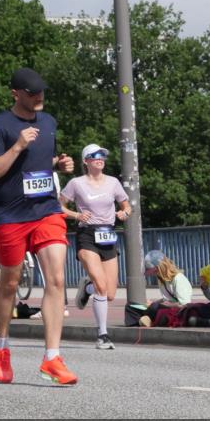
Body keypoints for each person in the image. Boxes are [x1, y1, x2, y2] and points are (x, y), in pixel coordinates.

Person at [0, 67, 76, 385]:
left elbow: (38, 163)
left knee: (58, 279)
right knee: (9, 283)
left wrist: (58, 164)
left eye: (42, 92)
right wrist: (17, 146)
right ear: (16, 94)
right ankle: (3, 346)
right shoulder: (0, 126)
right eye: (32, 93)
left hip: (47, 210)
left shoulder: (48, 122)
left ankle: (52, 358)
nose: (39, 97)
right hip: (10, 216)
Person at [62, 143, 132, 350]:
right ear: (86, 161)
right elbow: (58, 205)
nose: (100, 158)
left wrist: (124, 214)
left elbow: (126, 205)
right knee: (102, 285)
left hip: (108, 234)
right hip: (87, 235)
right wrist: (76, 215)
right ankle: (103, 334)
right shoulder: (76, 183)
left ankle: (88, 287)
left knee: (109, 293)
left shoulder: (113, 183)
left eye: (102, 155)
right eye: (94, 156)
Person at [138, 250, 193, 327]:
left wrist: (167, 305)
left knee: (154, 308)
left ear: (160, 268)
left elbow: (185, 304)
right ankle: (144, 320)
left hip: (179, 311)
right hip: (168, 307)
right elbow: (166, 299)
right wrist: (153, 302)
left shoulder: (178, 278)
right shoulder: (161, 279)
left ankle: (147, 320)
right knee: (132, 308)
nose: (153, 273)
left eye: (154, 271)